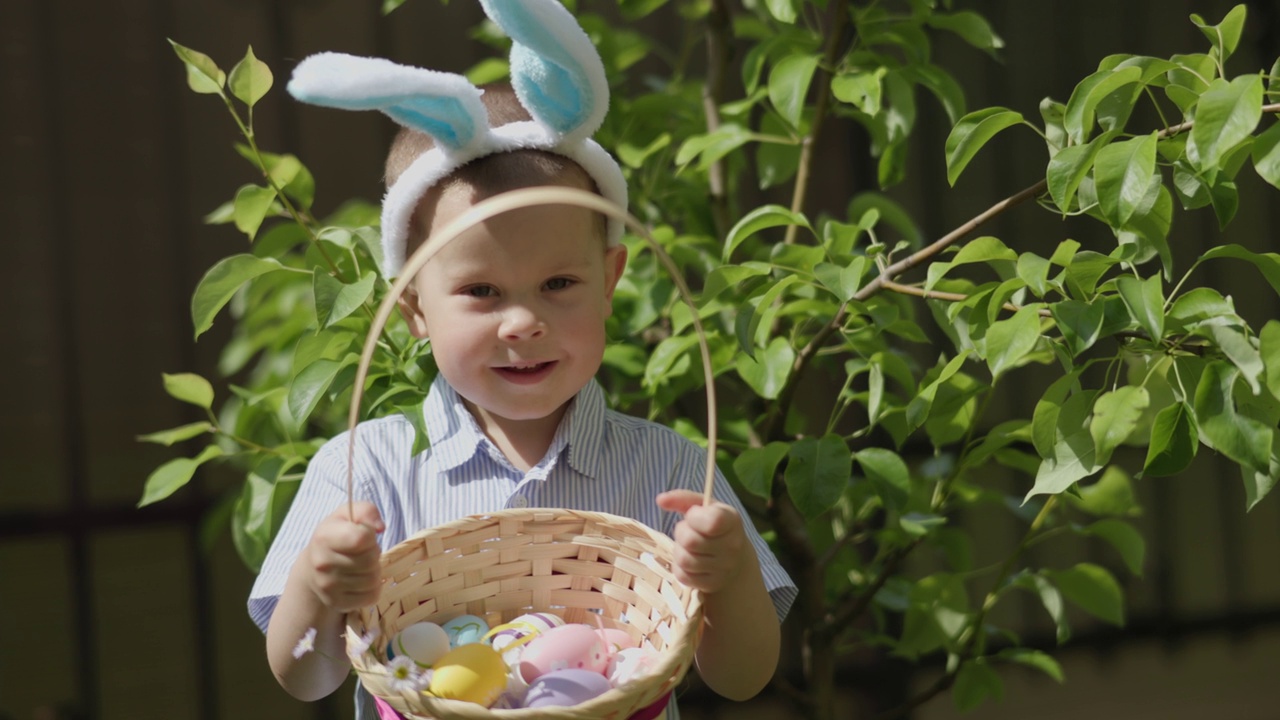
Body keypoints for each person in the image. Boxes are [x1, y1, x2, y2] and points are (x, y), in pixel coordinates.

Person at [247, 2, 796, 717]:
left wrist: (729, 575)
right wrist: (320, 591)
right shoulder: (367, 473)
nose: (524, 322)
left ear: (610, 280)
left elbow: (742, 677)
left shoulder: (668, 472)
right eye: (480, 291)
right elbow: (302, 675)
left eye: (559, 284)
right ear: (413, 309)